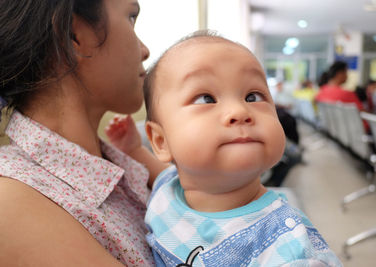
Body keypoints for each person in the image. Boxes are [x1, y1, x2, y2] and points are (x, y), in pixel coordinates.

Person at [108, 31, 342, 266]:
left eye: (252, 97)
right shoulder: (170, 187)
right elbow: (159, 172)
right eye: (206, 99)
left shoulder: (288, 251)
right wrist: (133, 148)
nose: (240, 112)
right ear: (161, 142)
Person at [0, 0, 168, 266]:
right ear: (73, 35)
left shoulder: (123, 169)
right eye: (131, 18)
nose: (145, 51)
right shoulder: (12, 202)